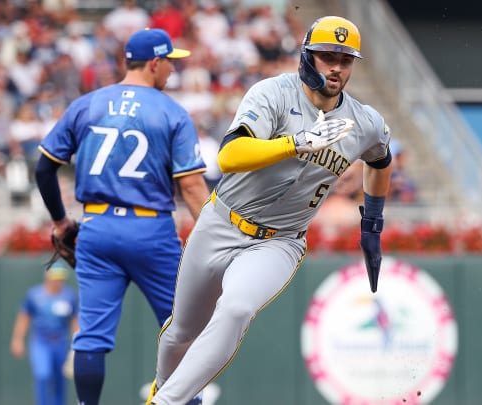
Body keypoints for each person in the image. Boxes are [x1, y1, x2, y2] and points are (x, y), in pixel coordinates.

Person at [145, 16, 393, 405]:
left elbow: (380, 161)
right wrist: (295, 143)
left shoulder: (364, 122)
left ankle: (164, 402)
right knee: (181, 332)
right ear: (307, 56)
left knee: (236, 307)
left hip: (278, 242)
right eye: (327, 56)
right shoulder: (272, 93)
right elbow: (229, 156)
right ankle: (164, 389)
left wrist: (372, 223)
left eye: (345, 60)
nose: (336, 67)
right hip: (221, 221)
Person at [34, 28, 211, 405]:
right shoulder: (170, 111)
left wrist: (61, 221)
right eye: (170, 64)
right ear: (154, 63)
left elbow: (43, 169)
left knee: (91, 336)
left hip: (97, 228)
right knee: (180, 329)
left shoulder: (88, 104)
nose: (172, 72)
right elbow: (193, 187)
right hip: (151, 229)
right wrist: (220, 233)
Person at [10, 261, 79, 405]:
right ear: (47, 276)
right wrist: (17, 340)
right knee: (43, 375)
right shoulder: (34, 295)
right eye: (55, 276)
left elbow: (74, 321)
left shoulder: (69, 296)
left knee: (60, 379)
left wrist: (77, 344)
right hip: (41, 341)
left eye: (60, 277)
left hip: (60, 341)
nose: (57, 280)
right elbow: (24, 317)